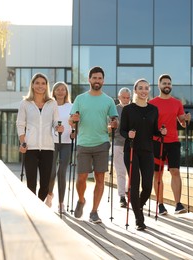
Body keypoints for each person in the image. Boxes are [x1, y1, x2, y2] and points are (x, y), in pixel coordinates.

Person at [70, 66, 118, 223]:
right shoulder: (80, 99)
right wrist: (73, 120)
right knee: (81, 178)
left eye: (100, 78)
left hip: (102, 143)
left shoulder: (109, 101)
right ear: (89, 80)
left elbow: (114, 121)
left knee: (99, 178)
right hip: (83, 143)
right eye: (94, 78)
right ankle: (81, 200)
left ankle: (94, 211)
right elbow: (71, 120)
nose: (97, 81)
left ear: (103, 81)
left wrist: (114, 123)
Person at [120, 79, 167, 231]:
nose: (143, 90)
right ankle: (138, 219)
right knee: (134, 184)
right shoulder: (128, 109)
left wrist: (161, 132)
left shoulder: (153, 110)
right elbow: (122, 130)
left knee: (147, 185)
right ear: (135, 90)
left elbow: (154, 130)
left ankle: (138, 206)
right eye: (140, 88)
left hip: (147, 151)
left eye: (146, 88)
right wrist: (129, 134)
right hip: (131, 150)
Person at [16, 73, 64, 201]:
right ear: (32, 85)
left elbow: (56, 121)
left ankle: (40, 206)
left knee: (45, 185)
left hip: (48, 148)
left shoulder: (52, 103)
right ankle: (33, 212)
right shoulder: (25, 103)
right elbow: (20, 124)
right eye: (37, 83)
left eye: (43, 83)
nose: (40, 86)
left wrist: (58, 127)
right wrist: (22, 142)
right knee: (30, 183)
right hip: (30, 148)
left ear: (47, 86)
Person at [149, 74, 191, 215]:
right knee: (158, 174)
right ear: (159, 85)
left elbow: (182, 122)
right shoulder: (152, 103)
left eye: (169, 83)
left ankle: (178, 204)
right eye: (164, 83)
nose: (167, 85)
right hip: (157, 142)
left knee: (175, 171)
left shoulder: (177, 103)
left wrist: (185, 118)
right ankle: (160, 205)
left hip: (173, 141)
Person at [45, 82, 73, 213]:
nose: (61, 92)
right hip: (52, 142)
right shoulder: (50, 106)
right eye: (58, 89)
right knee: (51, 172)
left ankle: (61, 203)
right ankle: (49, 194)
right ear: (54, 92)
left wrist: (75, 132)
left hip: (66, 142)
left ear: (66, 92)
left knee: (62, 172)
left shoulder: (71, 106)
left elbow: (75, 124)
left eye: (63, 90)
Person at [113, 87, 131, 208]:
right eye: (123, 97)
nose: (125, 99)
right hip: (118, 143)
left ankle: (130, 193)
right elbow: (110, 127)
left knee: (132, 172)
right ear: (119, 97)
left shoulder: (133, 109)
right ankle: (122, 196)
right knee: (120, 171)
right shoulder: (114, 109)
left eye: (127, 98)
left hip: (132, 144)